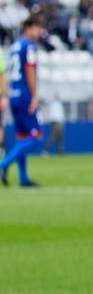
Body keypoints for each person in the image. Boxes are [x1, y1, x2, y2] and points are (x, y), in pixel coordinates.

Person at [2, 16, 44, 187]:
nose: (40, 31)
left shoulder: (15, 45)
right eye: (38, 28)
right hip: (25, 95)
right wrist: (34, 95)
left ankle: (23, 178)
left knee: (22, 137)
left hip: (13, 94)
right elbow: (30, 70)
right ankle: (4, 164)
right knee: (35, 136)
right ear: (29, 27)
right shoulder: (29, 46)